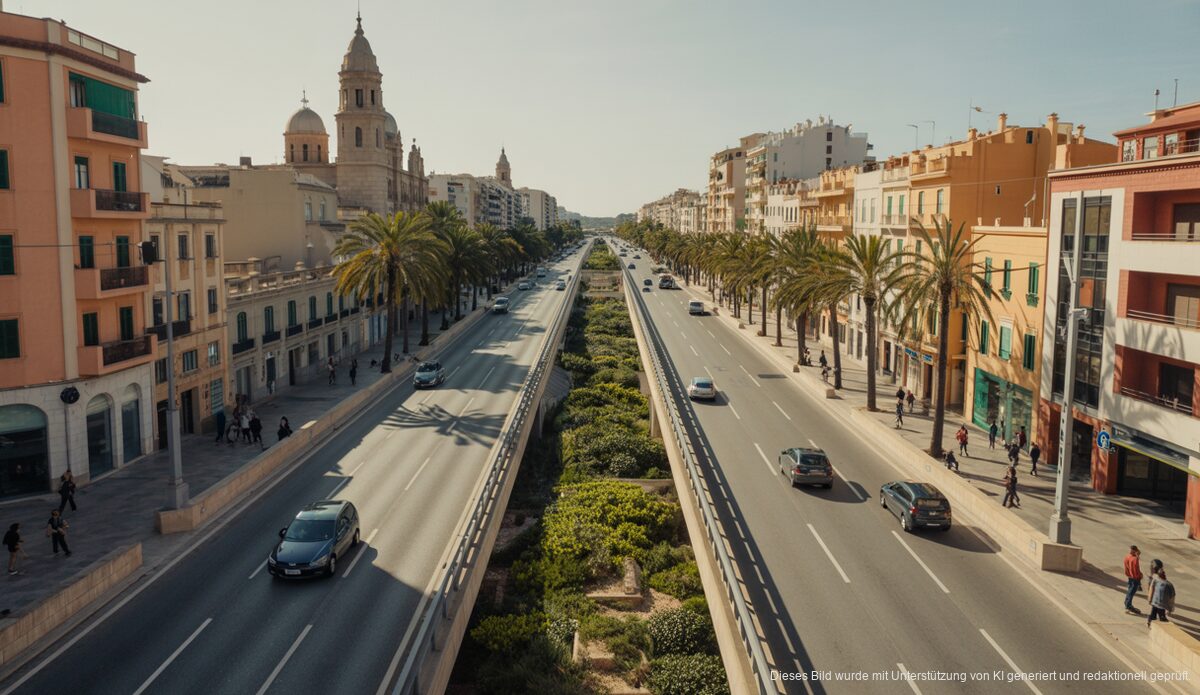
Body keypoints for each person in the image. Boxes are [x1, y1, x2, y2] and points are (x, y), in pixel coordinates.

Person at [1124, 545, 1143, 615]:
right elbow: (1136, 569)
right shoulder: (1135, 559)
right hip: (1135, 577)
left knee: (1129, 590)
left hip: (1130, 576)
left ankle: (1127, 603)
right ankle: (1128, 605)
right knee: (1131, 592)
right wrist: (1139, 576)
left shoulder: (1128, 556)